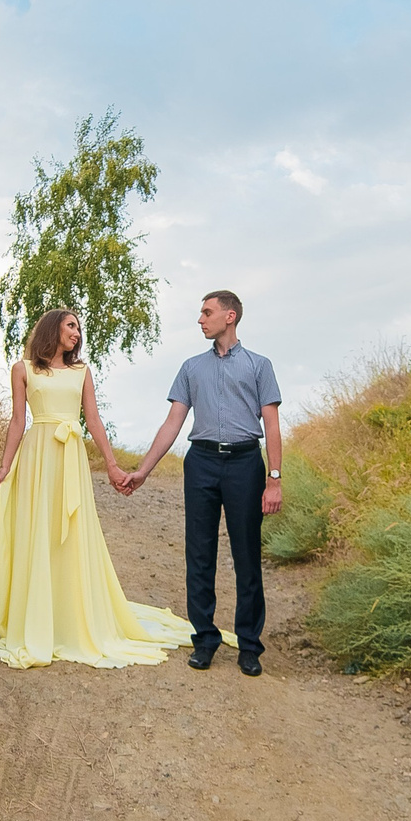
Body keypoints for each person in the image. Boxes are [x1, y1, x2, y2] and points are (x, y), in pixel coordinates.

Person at [0, 307, 189, 669]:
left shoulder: (81, 372)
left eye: (79, 328)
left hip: (70, 456)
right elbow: (18, 420)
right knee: (38, 531)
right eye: (71, 326)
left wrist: (111, 465)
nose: (77, 333)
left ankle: (69, 616)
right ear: (53, 329)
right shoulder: (23, 369)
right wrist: (5, 466)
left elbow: (92, 418)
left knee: (70, 533)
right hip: (37, 455)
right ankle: (33, 614)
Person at [124, 290, 282, 676]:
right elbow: (172, 423)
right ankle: (205, 639)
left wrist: (273, 478)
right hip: (202, 463)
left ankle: (249, 646)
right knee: (199, 553)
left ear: (230, 316)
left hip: (245, 462)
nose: (200, 319)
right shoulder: (191, 368)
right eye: (201, 313)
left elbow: (272, 425)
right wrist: (144, 470)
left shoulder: (260, 366)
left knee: (246, 555)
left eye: (207, 312)